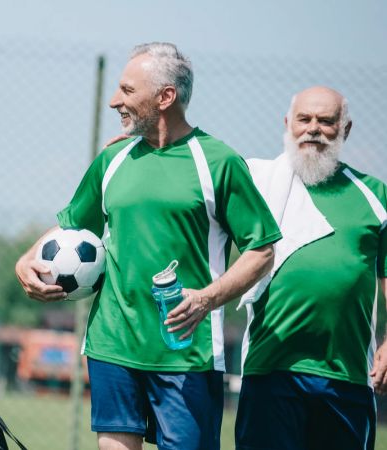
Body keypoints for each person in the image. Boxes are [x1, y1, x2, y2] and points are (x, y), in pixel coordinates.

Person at [15, 42, 281, 450]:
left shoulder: (220, 163)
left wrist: (208, 299)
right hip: (112, 343)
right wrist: (26, 260)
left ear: (165, 97)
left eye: (127, 90)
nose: (114, 101)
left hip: (186, 353)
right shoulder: (113, 159)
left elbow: (261, 250)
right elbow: (70, 226)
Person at [236, 86, 385, 450]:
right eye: (304, 119)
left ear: (345, 129)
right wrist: (152, 149)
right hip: (269, 369)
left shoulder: (375, 195)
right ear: (288, 124)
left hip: (346, 376)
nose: (313, 129)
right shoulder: (256, 182)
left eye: (326, 121)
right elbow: (198, 182)